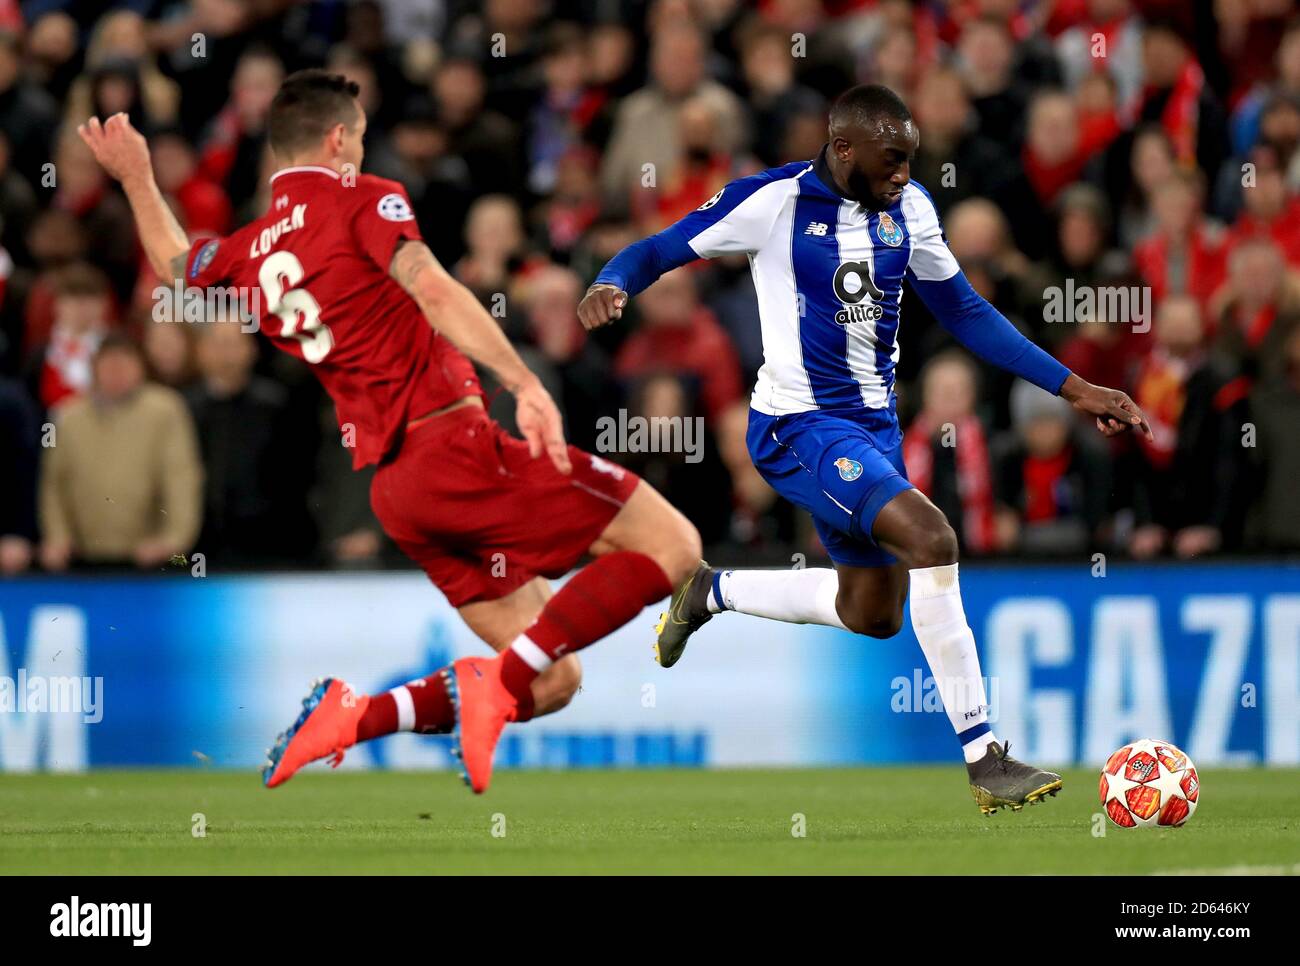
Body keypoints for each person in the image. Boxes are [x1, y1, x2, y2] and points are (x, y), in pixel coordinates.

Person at [77, 70, 701, 795]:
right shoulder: (362, 198)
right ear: (339, 139)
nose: (364, 153)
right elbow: (432, 287)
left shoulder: (250, 248)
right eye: (363, 139)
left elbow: (177, 264)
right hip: (455, 448)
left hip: (401, 492)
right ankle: (488, 687)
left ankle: (355, 715)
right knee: (676, 548)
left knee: (552, 679)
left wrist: (136, 175)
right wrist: (524, 384)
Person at [579, 84, 1153, 815]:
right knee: (932, 536)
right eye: (890, 161)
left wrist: (1074, 388)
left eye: (911, 160)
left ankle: (709, 589)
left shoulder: (910, 210)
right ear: (842, 148)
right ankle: (986, 759)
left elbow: (966, 312)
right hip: (798, 426)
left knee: (874, 612)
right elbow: (660, 246)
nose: (904, 175)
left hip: (872, 431)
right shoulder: (773, 202)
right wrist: (611, 280)